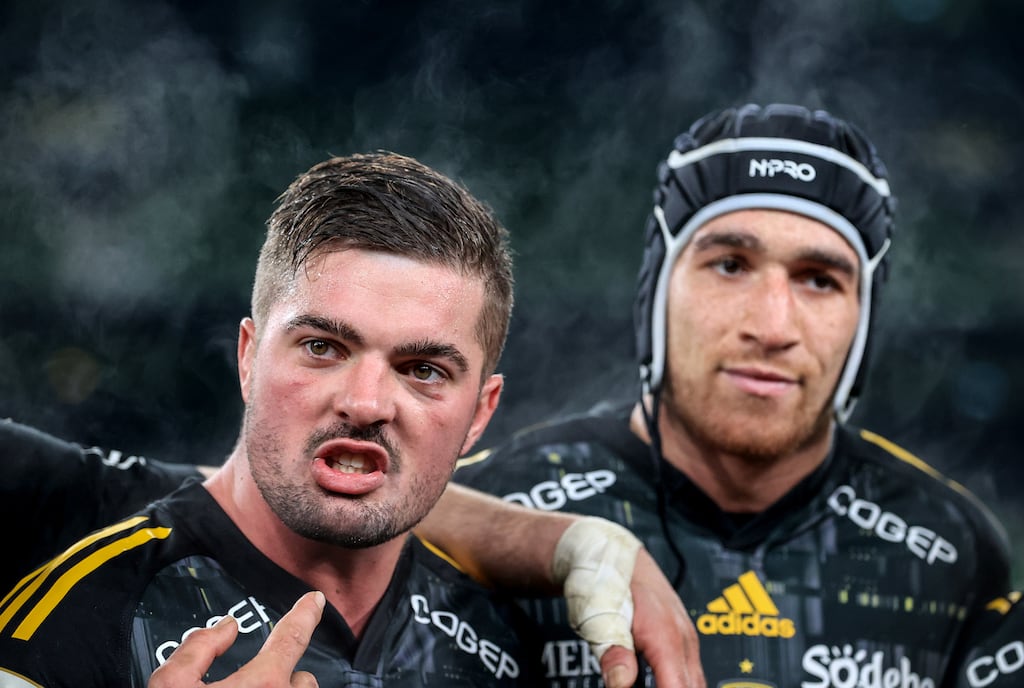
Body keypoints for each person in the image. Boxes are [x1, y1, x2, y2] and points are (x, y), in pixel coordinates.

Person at [0, 153, 702, 688]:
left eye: (424, 370)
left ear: (481, 414)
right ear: (248, 359)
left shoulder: (515, 635)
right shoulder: (82, 619)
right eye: (322, 347)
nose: (365, 403)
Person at [449, 103, 1013, 687]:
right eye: (730, 265)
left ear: (863, 320)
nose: (772, 327)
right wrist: (523, 540)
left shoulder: (952, 550)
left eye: (820, 280)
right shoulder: (487, 505)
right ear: (657, 292)